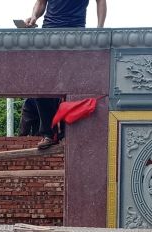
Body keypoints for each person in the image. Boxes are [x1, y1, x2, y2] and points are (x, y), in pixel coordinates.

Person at [24, 0, 107, 149]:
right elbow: (41, 2)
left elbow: (101, 1)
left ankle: (66, 134)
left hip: (75, 33)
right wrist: (34, 16)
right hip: (49, 32)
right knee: (42, 86)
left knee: (71, 86)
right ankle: (49, 133)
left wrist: (99, 28)